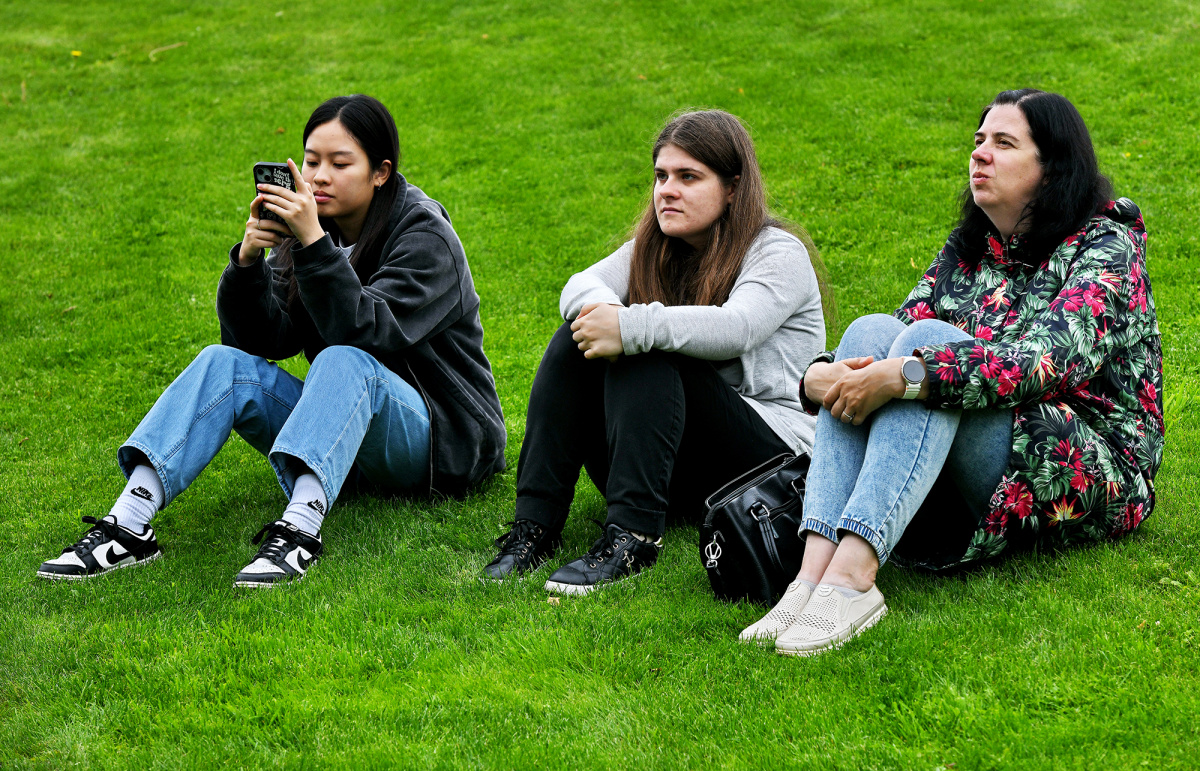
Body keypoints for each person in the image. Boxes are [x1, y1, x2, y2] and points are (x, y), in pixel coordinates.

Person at [741, 89, 1164, 655]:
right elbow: (888, 339)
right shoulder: (970, 247)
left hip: (1086, 464)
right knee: (871, 331)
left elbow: (1043, 363)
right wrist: (818, 376)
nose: (980, 154)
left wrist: (908, 376)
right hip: (983, 446)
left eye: (1004, 143)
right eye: (979, 140)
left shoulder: (1107, 246)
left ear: (1053, 167)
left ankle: (853, 578)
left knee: (927, 348)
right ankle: (811, 576)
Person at [37, 95, 506, 587]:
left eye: (340, 163)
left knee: (343, 358)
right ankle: (129, 525)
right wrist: (247, 265)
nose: (319, 177)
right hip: (350, 437)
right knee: (221, 363)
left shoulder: (425, 235)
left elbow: (367, 333)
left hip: (441, 443)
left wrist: (314, 245)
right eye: (311, 161)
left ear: (380, 173)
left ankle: (299, 532)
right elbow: (269, 339)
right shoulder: (311, 227)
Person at [483, 109, 830, 595]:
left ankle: (634, 538)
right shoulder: (657, 246)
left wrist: (630, 325)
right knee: (577, 337)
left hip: (767, 466)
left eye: (689, 177)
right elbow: (580, 286)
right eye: (661, 176)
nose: (667, 190)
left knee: (645, 346)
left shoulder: (777, 252)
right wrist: (607, 318)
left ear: (733, 187)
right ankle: (534, 527)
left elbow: (738, 327)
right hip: (674, 463)